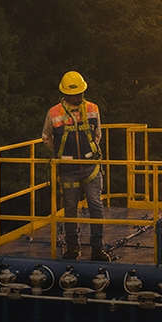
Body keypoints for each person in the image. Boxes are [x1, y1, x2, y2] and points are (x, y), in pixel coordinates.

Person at [41, 71, 110, 262]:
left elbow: (97, 134)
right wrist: (62, 154)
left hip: (90, 167)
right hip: (68, 170)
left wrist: (90, 151)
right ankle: (72, 247)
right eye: (74, 94)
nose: (78, 97)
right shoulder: (54, 113)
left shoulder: (93, 108)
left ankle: (97, 248)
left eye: (80, 93)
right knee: (70, 209)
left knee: (95, 205)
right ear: (65, 94)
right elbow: (46, 137)